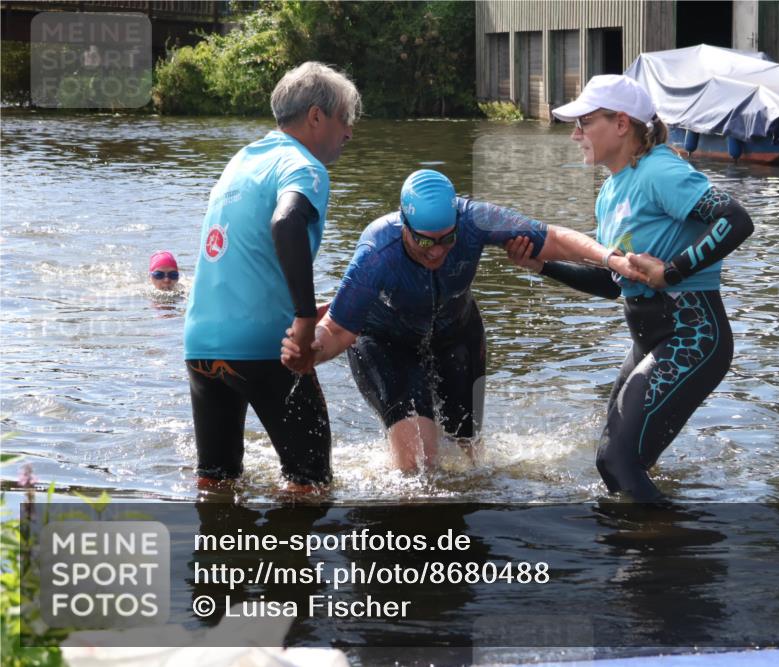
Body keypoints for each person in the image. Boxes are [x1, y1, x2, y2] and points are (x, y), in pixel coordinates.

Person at [281, 168, 641, 473]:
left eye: (446, 239)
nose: (437, 251)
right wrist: (311, 353)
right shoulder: (377, 251)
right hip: (385, 343)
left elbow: (554, 238)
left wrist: (610, 258)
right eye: (425, 242)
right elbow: (339, 329)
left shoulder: (474, 220)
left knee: (469, 459)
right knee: (418, 467)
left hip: (457, 336)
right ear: (404, 225)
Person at [507, 74, 754, 501]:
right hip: (650, 338)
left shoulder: (660, 169)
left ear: (621, 124)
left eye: (584, 123)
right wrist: (545, 266)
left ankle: (661, 550)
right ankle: (657, 552)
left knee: (615, 461)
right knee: (620, 459)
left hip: (692, 334)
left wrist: (671, 272)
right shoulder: (609, 192)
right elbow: (612, 283)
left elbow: (735, 219)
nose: (575, 135)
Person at [183, 62, 361, 492]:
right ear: (317, 117)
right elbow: (285, 223)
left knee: (217, 483)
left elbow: (245, 254)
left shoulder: (242, 161)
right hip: (266, 348)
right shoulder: (305, 167)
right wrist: (303, 320)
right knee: (311, 484)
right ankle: (286, 559)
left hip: (201, 346)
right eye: (345, 120)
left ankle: (220, 552)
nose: (349, 133)